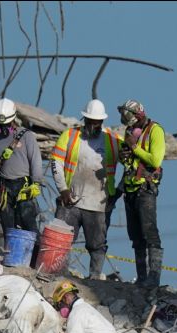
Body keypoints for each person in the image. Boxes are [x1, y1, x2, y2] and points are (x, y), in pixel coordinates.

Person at [51, 99, 121, 280]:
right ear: (85, 119)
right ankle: (56, 272)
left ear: (102, 122)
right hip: (71, 200)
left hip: (98, 203)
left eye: (97, 122)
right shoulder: (71, 135)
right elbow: (56, 162)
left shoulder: (112, 141)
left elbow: (132, 164)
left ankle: (95, 277)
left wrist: (119, 191)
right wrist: (63, 189)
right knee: (61, 238)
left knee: (97, 244)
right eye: (90, 121)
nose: (93, 125)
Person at [117, 100, 165, 289]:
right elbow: (129, 160)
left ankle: (154, 278)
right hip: (130, 189)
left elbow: (156, 159)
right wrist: (125, 156)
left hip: (145, 189)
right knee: (136, 236)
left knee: (150, 233)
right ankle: (142, 278)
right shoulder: (129, 132)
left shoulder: (155, 131)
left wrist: (135, 148)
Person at [0, 98, 44, 244]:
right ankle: (13, 257)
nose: (3, 127)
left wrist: (36, 183)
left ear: (13, 119)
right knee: (7, 225)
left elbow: (35, 160)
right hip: (4, 189)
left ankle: (36, 257)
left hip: (24, 186)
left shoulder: (27, 136)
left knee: (28, 221)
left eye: (6, 124)